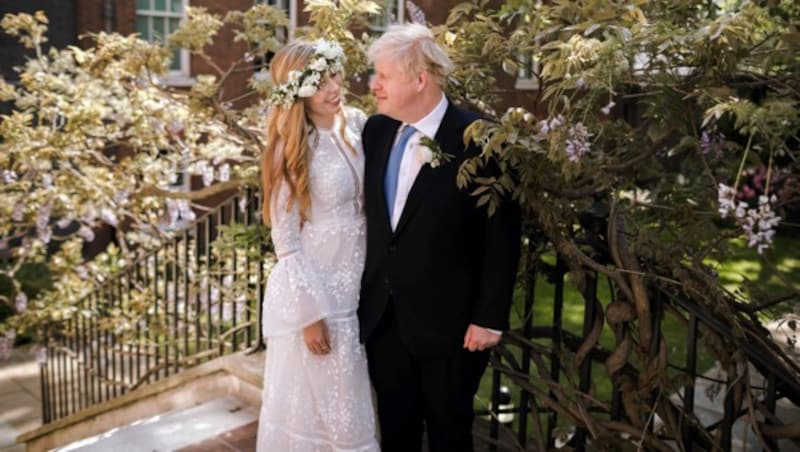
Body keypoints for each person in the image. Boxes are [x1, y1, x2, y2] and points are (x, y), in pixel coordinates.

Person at [358, 24, 522, 452]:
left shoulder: (482, 139)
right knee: (396, 433)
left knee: (450, 434)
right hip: (384, 320)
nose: (374, 85)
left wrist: (489, 317)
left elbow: (502, 236)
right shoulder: (375, 133)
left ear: (419, 80)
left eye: (383, 76)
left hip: (453, 327)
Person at [256, 39, 379, 452]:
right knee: (324, 403)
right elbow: (286, 241)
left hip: (363, 277)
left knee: (353, 394)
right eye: (319, 82)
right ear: (297, 92)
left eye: (334, 74)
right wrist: (309, 314)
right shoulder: (290, 148)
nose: (333, 87)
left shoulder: (359, 123)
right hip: (320, 290)